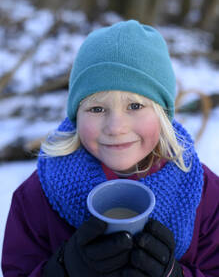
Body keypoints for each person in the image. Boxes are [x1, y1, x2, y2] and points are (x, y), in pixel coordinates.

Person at [1, 20, 219, 277]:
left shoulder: (205, 193)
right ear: (76, 116)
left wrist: (175, 274)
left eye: (135, 106)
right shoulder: (37, 195)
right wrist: (62, 269)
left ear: (163, 114)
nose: (116, 127)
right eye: (96, 108)